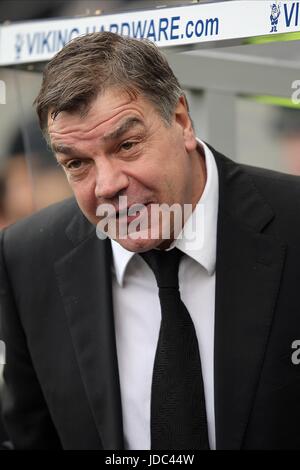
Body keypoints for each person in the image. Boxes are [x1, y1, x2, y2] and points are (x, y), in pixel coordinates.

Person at [1, 32, 300, 451]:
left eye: (127, 145)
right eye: (77, 163)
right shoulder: (27, 257)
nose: (107, 185)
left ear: (181, 122)